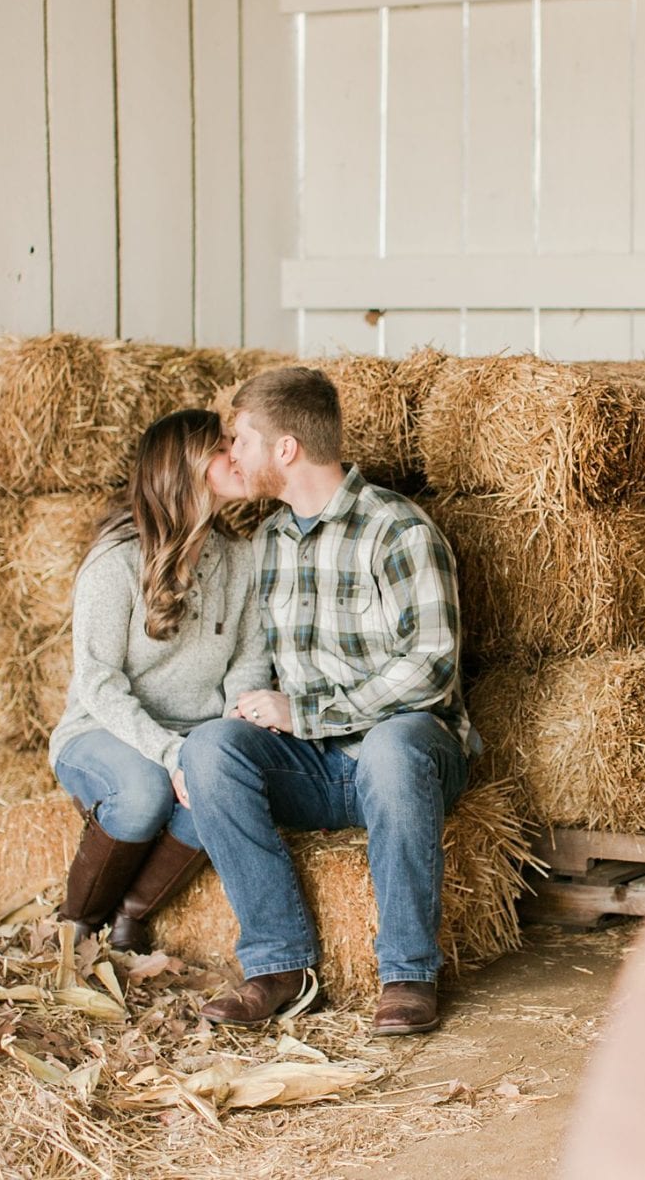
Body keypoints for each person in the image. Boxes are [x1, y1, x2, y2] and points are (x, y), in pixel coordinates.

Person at [180, 366, 477, 1034]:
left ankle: (407, 974)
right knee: (209, 750)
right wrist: (243, 712)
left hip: (408, 761)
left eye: (243, 441)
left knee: (395, 743)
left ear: (285, 449)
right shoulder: (269, 544)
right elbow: (255, 660)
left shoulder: (398, 531)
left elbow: (430, 669)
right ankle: (280, 966)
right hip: (315, 767)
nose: (233, 456)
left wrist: (305, 713)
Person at [48, 409, 272, 953]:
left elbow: (248, 663)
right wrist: (170, 754)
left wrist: (216, 749)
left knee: (221, 790)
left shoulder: (240, 560)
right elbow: (98, 683)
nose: (239, 455)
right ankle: (74, 927)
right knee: (146, 791)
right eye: (225, 448)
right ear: (189, 467)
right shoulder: (116, 562)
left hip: (192, 734)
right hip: (104, 731)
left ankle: (131, 918)